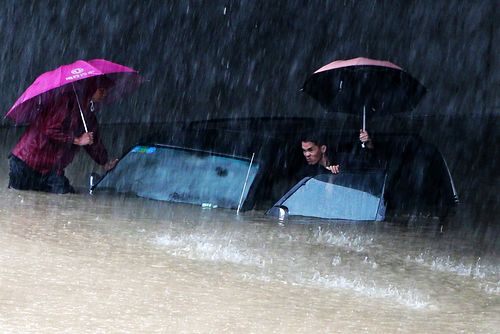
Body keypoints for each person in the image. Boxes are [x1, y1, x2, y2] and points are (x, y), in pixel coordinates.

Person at [8, 77, 118, 194]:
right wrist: (77, 140)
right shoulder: (64, 102)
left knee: (67, 196)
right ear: (91, 89)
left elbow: (92, 141)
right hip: (26, 161)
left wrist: (105, 162)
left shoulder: (87, 113)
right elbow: (50, 128)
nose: (105, 93)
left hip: (51, 169)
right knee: (20, 198)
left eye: (106, 90)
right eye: (101, 90)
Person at [298, 130, 373, 178]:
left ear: (323, 149)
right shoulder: (307, 173)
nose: (307, 154)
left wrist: (368, 143)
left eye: (310, 150)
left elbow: (368, 163)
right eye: (304, 151)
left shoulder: (343, 160)